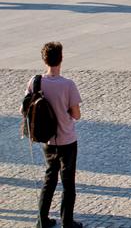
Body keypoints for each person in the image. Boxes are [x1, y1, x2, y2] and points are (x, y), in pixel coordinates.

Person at [26, 42, 83, 228]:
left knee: (49, 179)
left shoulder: (35, 82)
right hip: (67, 139)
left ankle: (42, 221)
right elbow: (76, 114)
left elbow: (24, 108)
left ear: (44, 60)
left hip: (48, 139)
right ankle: (67, 221)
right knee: (68, 182)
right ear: (61, 59)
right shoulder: (68, 85)